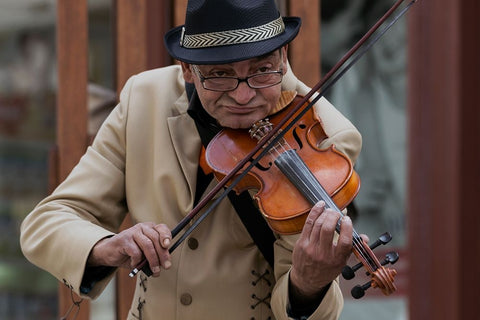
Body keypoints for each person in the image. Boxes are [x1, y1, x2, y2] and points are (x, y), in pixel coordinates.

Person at [20, 0, 362, 319]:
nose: (243, 96)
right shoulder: (144, 99)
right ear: (186, 69)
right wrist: (107, 246)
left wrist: (309, 282)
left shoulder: (323, 137)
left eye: (262, 70)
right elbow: (48, 222)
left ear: (283, 57)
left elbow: (300, 307)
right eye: (221, 75)